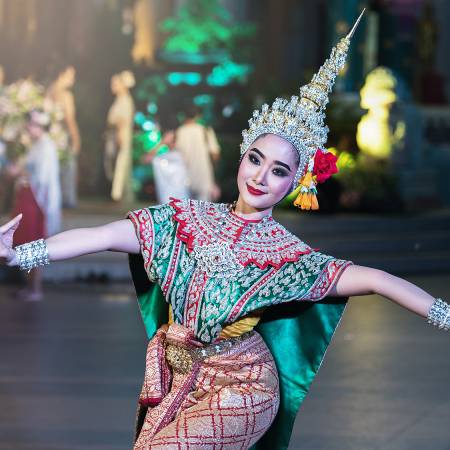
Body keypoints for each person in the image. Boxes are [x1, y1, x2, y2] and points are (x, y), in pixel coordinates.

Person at [0, 12, 448, 448]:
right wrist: (20, 254)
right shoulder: (184, 221)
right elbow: (100, 236)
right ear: (241, 155)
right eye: (255, 159)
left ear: (296, 183)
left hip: (245, 387)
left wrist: (446, 316)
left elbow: (376, 280)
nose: (259, 177)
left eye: (277, 171)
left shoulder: (287, 256)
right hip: (180, 377)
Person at [8, 109, 61, 301]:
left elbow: (42, 177)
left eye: (31, 124)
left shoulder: (46, 147)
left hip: (35, 200)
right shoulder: (37, 145)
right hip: (28, 197)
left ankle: (36, 288)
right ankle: (30, 286)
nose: (28, 128)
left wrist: (20, 173)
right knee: (25, 242)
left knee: (34, 241)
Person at [46, 65, 81, 208]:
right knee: (67, 169)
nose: (73, 79)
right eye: (70, 75)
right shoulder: (66, 95)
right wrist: (76, 138)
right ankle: (66, 202)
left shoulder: (49, 90)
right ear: (61, 74)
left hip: (48, 138)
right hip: (61, 139)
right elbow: (70, 119)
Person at [175, 105, 221, 201]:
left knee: (186, 211)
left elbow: (175, 154)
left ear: (184, 116)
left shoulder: (179, 131)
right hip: (204, 178)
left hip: (184, 178)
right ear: (198, 116)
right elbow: (215, 155)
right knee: (203, 211)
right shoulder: (205, 130)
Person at [106, 70, 136, 203]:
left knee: (120, 164)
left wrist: (119, 136)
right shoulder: (119, 99)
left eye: (115, 83)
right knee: (116, 164)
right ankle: (119, 195)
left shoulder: (125, 100)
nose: (113, 86)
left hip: (121, 135)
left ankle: (117, 196)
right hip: (115, 134)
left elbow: (122, 121)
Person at [141, 128, 190, 204]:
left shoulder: (182, 155)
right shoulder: (163, 157)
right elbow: (145, 159)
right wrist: (161, 143)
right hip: (167, 201)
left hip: (183, 199)